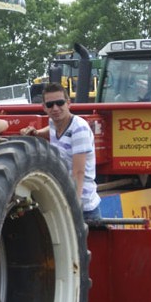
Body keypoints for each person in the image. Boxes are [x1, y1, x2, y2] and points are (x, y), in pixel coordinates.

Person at [20, 83, 101, 221]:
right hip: (63, 204)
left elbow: (78, 173)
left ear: (68, 103)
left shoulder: (79, 129)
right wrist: (37, 133)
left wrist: (74, 209)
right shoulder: (54, 123)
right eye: (50, 105)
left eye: (60, 103)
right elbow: (51, 130)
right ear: (44, 107)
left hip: (83, 209)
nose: (55, 108)